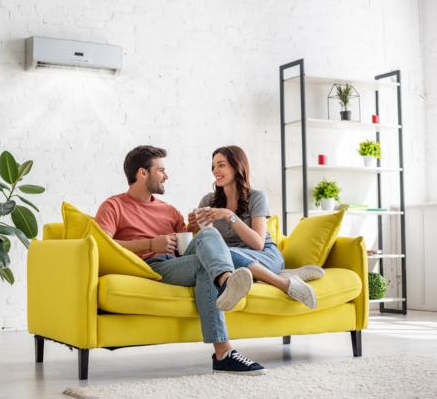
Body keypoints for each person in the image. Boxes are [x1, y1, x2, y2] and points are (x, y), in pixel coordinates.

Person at [95, 145, 266, 376]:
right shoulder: (113, 205)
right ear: (143, 173)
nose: (166, 176)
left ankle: (223, 340)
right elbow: (101, 246)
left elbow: (188, 246)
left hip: (178, 263)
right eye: (161, 170)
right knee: (206, 264)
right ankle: (225, 309)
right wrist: (148, 245)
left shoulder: (170, 210)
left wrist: (195, 227)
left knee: (209, 237)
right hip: (151, 267)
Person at [188, 145, 324, 310]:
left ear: (237, 166)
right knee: (211, 256)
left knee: (222, 253)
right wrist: (192, 227)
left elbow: (258, 244)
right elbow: (203, 241)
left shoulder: (256, 197)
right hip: (233, 263)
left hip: (265, 256)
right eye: (213, 166)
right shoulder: (208, 201)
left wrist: (228, 215)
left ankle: (284, 283)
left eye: (221, 165)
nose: (215, 170)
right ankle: (277, 276)